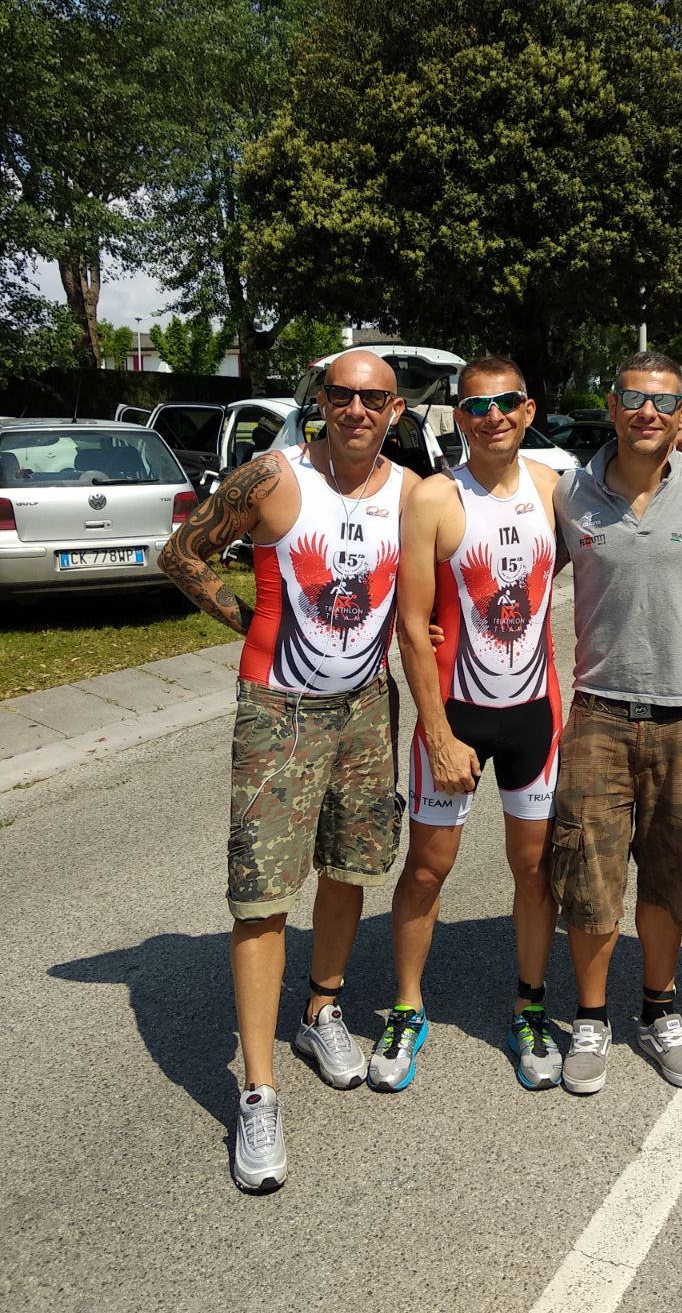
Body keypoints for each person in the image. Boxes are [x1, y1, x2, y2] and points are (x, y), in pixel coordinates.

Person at [159, 349, 414, 1193]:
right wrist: (249, 620)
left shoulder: (410, 493)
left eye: (372, 398)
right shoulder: (272, 477)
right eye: (340, 394)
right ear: (321, 401)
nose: (354, 409)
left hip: (369, 708)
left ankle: (323, 1010)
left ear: (396, 411)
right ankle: (260, 1092)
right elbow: (180, 553)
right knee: (263, 895)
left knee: (350, 869)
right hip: (281, 712)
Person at [370, 355, 563, 1093]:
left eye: (506, 403)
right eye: (476, 407)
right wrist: (439, 734)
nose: (493, 417)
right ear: (458, 416)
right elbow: (412, 629)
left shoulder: (553, 490)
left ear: (528, 407)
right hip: (454, 717)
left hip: (533, 717)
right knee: (427, 869)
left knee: (534, 867)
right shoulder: (434, 499)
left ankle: (530, 1009)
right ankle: (407, 1008)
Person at [551, 351, 682, 1093]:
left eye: (665, 402)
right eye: (634, 398)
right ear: (612, 402)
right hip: (599, 712)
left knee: (672, 874)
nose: (648, 413)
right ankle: (592, 1016)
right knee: (590, 875)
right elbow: (516, 573)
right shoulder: (571, 494)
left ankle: (659, 1010)